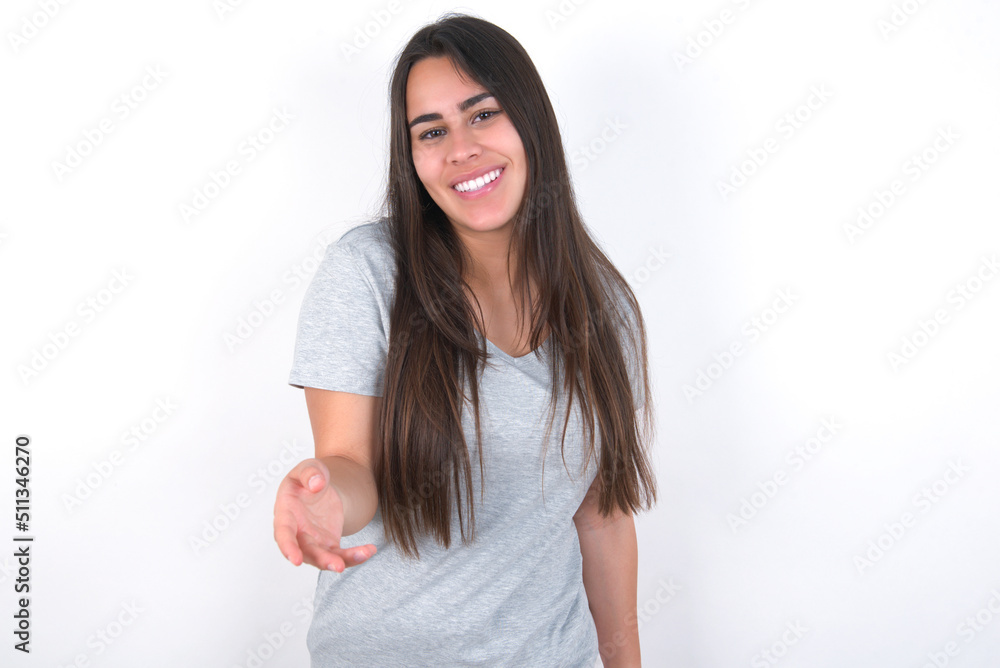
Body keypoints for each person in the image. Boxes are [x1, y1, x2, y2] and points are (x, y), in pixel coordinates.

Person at [273, 12, 657, 667]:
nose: (461, 149)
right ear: (413, 158)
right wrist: (322, 492)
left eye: (483, 114)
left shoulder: (604, 308)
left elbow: (602, 518)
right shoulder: (368, 272)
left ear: (530, 121)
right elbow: (349, 465)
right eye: (432, 131)